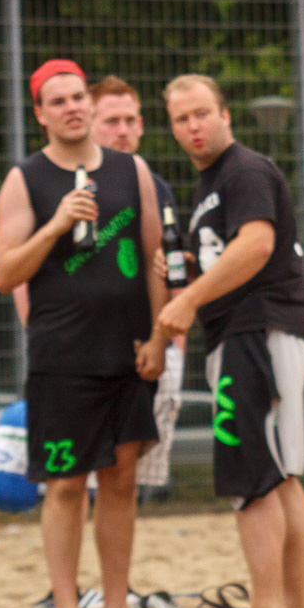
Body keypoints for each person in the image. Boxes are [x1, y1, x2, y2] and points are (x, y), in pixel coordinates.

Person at [0, 59, 168, 608]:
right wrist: (54, 226)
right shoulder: (26, 179)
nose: (71, 108)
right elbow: (3, 273)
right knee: (66, 484)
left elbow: (150, 259)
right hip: (62, 353)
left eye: (76, 97)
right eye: (57, 101)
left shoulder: (130, 169)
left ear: (90, 105)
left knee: (120, 480)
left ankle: (116, 604)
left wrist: (159, 335)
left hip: (128, 350)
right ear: (40, 113)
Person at [157, 74, 304, 608]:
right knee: (280, 472)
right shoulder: (210, 185)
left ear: (225, 113)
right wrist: (190, 275)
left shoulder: (242, 171)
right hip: (256, 331)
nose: (193, 126)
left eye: (202, 113)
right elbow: (232, 253)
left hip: (256, 329)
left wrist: (189, 299)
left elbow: (257, 244)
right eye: (181, 118)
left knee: (253, 473)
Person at [89, 75, 187, 502]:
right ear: (90, 123)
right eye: (112, 120)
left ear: (144, 125)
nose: (123, 130)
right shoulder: (70, 184)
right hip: (87, 347)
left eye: (130, 120)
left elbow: (174, 267)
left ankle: (116, 568)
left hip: (150, 345)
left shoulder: (155, 186)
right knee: (81, 476)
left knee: (131, 478)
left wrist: (173, 340)